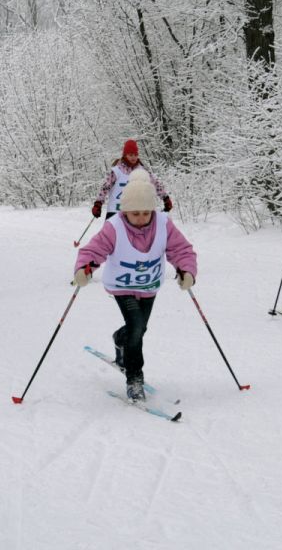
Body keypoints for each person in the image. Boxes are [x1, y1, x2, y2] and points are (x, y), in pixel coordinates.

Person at [75, 170, 197, 401]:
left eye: (145, 212)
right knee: (137, 326)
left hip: (148, 286)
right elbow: (93, 250)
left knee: (139, 329)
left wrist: (186, 270)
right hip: (122, 287)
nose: (141, 217)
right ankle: (134, 378)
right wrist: (85, 268)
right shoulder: (114, 226)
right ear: (124, 211)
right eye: (134, 213)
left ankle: (121, 340)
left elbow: (181, 250)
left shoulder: (163, 224)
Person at [91, 139, 172, 220]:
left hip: (135, 212)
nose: (133, 157)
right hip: (115, 211)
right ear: (125, 155)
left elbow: (156, 184)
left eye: (135, 155)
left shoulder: (142, 170)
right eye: (130, 155)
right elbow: (105, 188)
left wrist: (165, 198)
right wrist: (98, 204)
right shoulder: (116, 171)